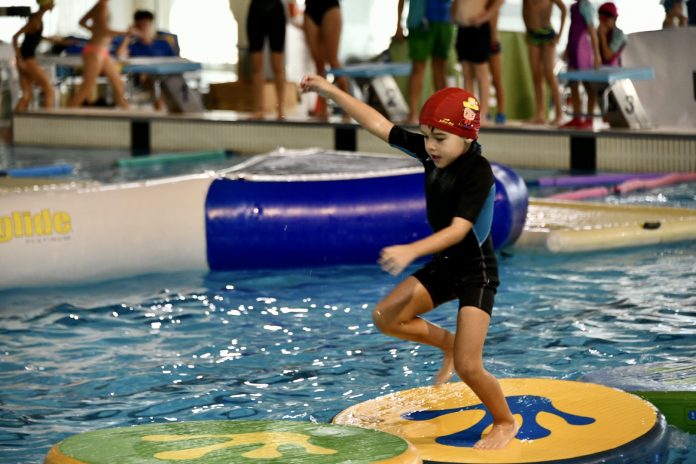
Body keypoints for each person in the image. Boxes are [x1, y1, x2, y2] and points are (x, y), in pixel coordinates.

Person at [300, 73, 519, 450]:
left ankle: (504, 420)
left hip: (475, 272)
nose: (430, 146)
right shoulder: (431, 150)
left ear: (468, 137)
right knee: (387, 317)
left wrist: (410, 250)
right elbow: (376, 122)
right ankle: (448, 344)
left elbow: (459, 230)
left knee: (469, 367)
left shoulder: (477, 172)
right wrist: (329, 90)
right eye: (426, 136)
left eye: (440, 138)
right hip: (445, 264)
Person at [396, 0, 454, 124]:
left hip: (445, 20)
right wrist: (398, 25)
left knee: (440, 68)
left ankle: (442, 114)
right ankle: (412, 114)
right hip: (419, 22)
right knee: (418, 68)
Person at [451, 0, 504, 125]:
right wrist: (453, 16)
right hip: (463, 29)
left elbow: (499, 1)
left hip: (479, 28)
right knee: (467, 74)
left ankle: (483, 114)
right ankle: (469, 115)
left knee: (482, 74)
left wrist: (485, 17)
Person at [68, 0, 128, 109]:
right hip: (94, 52)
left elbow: (82, 22)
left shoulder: (99, 6)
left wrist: (94, 30)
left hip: (103, 52)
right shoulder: (101, 7)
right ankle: (65, 116)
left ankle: (128, 116)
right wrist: (124, 33)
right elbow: (104, 31)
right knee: (86, 88)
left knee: (118, 84)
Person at [114, 9, 178, 111]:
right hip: (144, 76)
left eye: (146, 25)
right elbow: (120, 56)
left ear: (151, 25)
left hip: (166, 74)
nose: (143, 29)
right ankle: (159, 105)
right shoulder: (133, 46)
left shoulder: (163, 43)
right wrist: (128, 36)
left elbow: (175, 61)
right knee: (148, 76)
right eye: (140, 26)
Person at [301, 0, 348, 119]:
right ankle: (322, 108)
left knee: (333, 60)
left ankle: (347, 108)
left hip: (329, 6)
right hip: (310, 8)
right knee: (318, 63)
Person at [522, 0, 566, 125]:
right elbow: (525, 10)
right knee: (536, 75)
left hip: (547, 34)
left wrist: (560, 35)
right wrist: (527, 28)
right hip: (532, 34)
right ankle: (539, 113)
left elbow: (563, 9)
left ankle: (559, 113)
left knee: (549, 74)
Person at [560, 0, 600, 129]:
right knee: (573, 84)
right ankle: (577, 117)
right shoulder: (574, 7)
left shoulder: (586, 6)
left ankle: (589, 118)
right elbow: (572, 30)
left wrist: (596, 55)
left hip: (582, 51)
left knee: (588, 85)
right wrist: (567, 49)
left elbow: (592, 31)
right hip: (573, 49)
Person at [245, 0, 287, 120]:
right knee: (256, 65)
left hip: (276, 11)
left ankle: (280, 109)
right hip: (256, 10)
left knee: (277, 64)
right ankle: (259, 109)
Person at [12, 0, 55, 112]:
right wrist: (20, 59)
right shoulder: (35, 19)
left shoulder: (37, 18)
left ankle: (12, 128)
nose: (54, 4)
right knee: (49, 90)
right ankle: (47, 126)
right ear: (45, 4)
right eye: (52, 2)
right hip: (27, 60)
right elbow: (15, 37)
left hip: (25, 60)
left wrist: (56, 40)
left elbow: (35, 37)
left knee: (26, 96)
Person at [488, 2, 505, 124]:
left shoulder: (494, 3)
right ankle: (484, 110)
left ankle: (501, 112)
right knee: (483, 80)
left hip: (493, 43)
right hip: (480, 41)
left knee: (496, 79)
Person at [597, 2, 626, 66]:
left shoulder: (619, 34)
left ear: (614, 19)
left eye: (604, 19)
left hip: (614, 70)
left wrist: (602, 36)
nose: (601, 22)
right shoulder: (597, 32)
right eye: (600, 19)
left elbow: (607, 56)